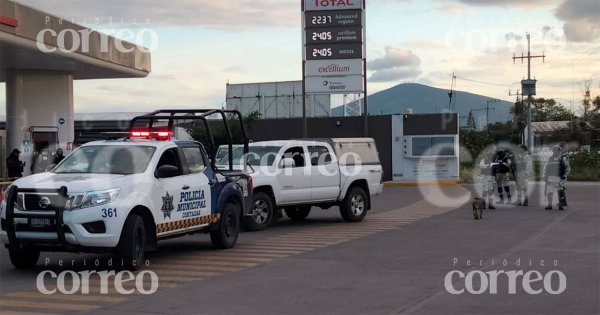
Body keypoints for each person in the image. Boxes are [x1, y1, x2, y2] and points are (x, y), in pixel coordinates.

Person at [544, 145, 571, 210]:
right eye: (553, 150)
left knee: (560, 192)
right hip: (551, 178)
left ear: (559, 151)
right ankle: (549, 205)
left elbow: (567, 168)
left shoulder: (563, 159)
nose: (554, 151)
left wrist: (564, 175)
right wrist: (545, 176)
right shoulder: (550, 159)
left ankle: (560, 205)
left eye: (556, 150)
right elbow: (545, 168)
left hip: (559, 178)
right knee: (550, 192)